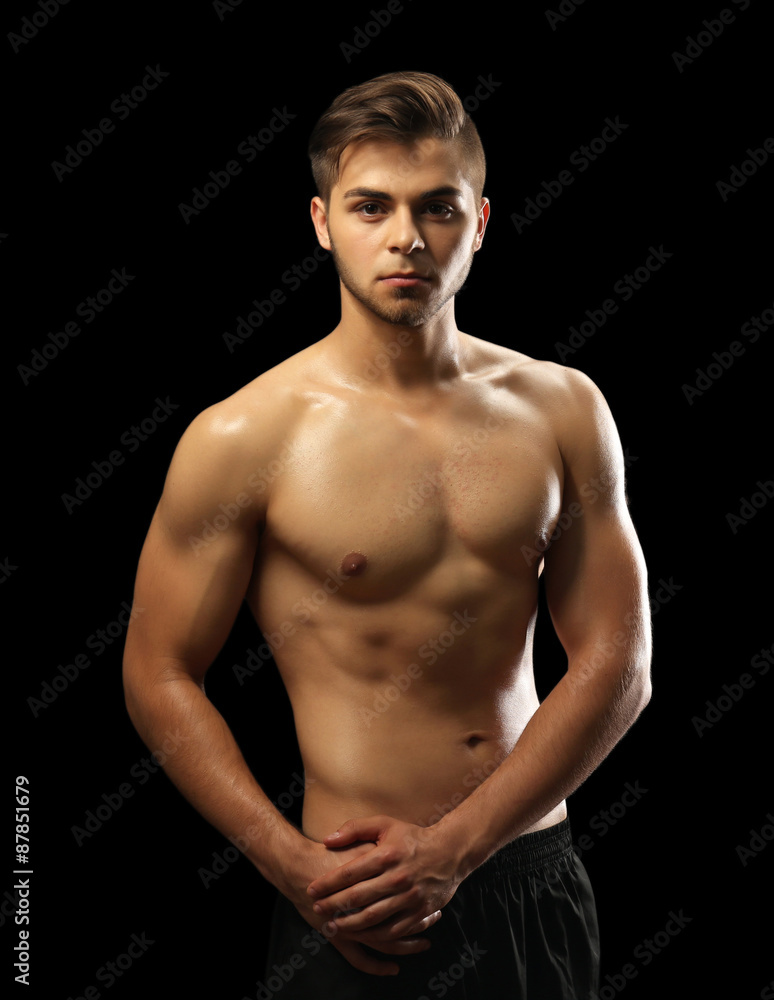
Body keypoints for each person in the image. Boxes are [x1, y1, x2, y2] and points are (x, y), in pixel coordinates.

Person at [122, 70, 652, 998]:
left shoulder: (563, 409)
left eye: (437, 208)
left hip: (531, 880)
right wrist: (283, 859)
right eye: (372, 207)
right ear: (323, 222)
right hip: (354, 904)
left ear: (479, 223)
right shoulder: (245, 436)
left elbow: (619, 659)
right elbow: (157, 670)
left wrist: (455, 847)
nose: (407, 237)